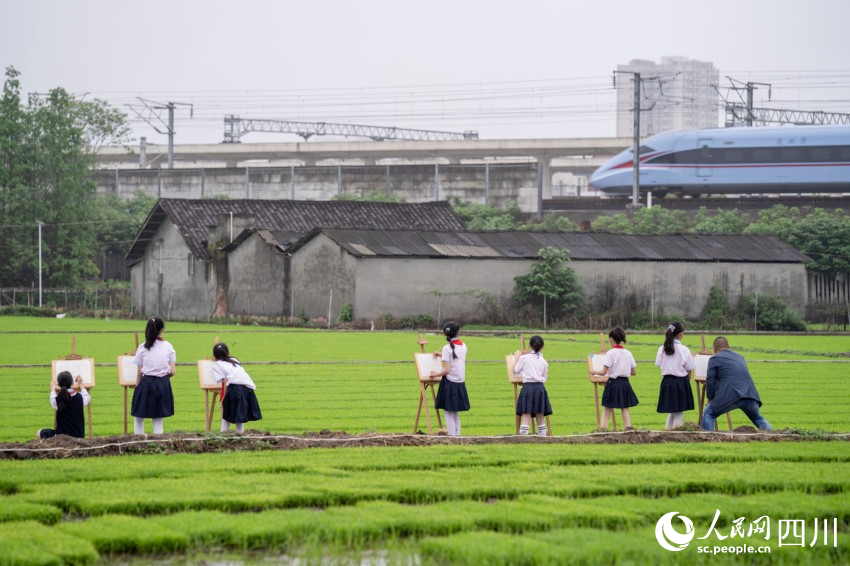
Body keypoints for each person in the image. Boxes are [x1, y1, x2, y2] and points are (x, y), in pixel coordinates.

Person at [702, 336, 772, 432]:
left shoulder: (714, 358)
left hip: (730, 394)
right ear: (728, 346)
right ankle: (773, 436)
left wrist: (710, 398)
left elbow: (710, 380)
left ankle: (708, 439)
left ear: (714, 348)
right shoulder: (740, 357)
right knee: (757, 418)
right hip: (750, 394)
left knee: (708, 414)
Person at [131, 317, 176, 435]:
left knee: (139, 416)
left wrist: (137, 387)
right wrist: (162, 377)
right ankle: (158, 443)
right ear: (162, 330)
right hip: (163, 384)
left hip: (146, 383)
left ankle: (138, 442)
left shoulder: (142, 347)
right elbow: (173, 371)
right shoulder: (169, 346)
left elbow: (139, 373)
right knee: (158, 417)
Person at [589, 327, 638, 431]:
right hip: (625, 383)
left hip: (613, 383)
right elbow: (634, 372)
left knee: (607, 407)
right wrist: (622, 370)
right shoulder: (628, 353)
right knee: (625, 408)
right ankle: (628, 429)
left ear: (611, 339)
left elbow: (603, 372)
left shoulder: (610, 353)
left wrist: (594, 372)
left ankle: (603, 429)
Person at [212, 343, 262, 433]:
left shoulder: (217, 365)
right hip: (247, 389)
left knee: (226, 414)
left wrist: (224, 398)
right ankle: (240, 435)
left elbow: (225, 380)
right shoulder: (234, 360)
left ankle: (222, 435)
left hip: (235, 389)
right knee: (240, 415)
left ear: (214, 355)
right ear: (227, 352)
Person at [430, 321, 469, 436]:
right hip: (460, 381)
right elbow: (456, 357)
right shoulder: (464, 346)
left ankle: (451, 437)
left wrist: (435, 374)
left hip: (449, 383)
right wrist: (441, 354)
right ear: (458, 332)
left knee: (448, 412)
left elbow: (446, 370)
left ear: (444, 334)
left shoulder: (446, 348)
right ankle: (457, 436)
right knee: (455, 412)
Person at [655, 321, 696, 430]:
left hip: (667, 381)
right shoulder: (684, 350)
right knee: (679, 410)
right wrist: (687, 383)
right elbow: (689, 369)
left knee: (673, 410)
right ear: (681, 334)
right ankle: (677, 432)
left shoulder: (662, 349)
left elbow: (659, 364)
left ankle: (667, 432)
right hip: (680, 382)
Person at [514, 335, 552, 437]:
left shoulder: (523, 358)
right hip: (540, 388)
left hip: (528, 388)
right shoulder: (544, 361)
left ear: (530, 346)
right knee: (540, 416)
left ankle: (523, 440)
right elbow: (544, 378)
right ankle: (542, 440)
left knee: (526, 415)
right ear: (542, 347)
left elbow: (516, 370)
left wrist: (517, 357)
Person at [37, 371, 90, 439]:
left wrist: (52, 389)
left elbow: (52, 397)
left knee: (39, 433)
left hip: (61, 438)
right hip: (79, 437)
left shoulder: (56, 400)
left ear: (58, 384)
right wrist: (81, 384)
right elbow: (87, 397)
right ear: (72, 383)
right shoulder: (80, 398)